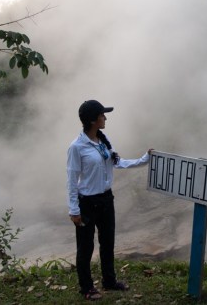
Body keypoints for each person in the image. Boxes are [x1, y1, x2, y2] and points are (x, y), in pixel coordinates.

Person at [67, 100, 152, 301]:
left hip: (106, 199)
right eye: (102, 115)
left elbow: (118, 162)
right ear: (92, 120)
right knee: (86, 247)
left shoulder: (102, 141)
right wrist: (73, 209)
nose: (105, 118)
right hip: (86, 202)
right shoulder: (77, 147)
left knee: (108, 242)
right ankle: (86, 287)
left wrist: (144, 160)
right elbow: (71, 180)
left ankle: (109, 281)